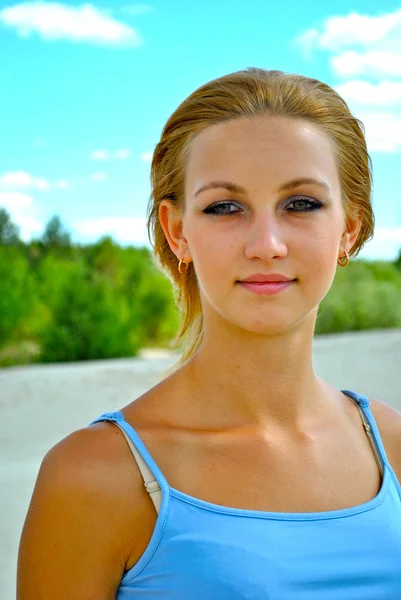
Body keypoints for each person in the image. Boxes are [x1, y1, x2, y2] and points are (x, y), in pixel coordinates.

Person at [17, 68, 401, 599]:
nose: (266, 244)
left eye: (302, 204)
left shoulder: (391, 445)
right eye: (225, 207)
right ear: (178, 232)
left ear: (349, 229)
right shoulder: (94, 476)